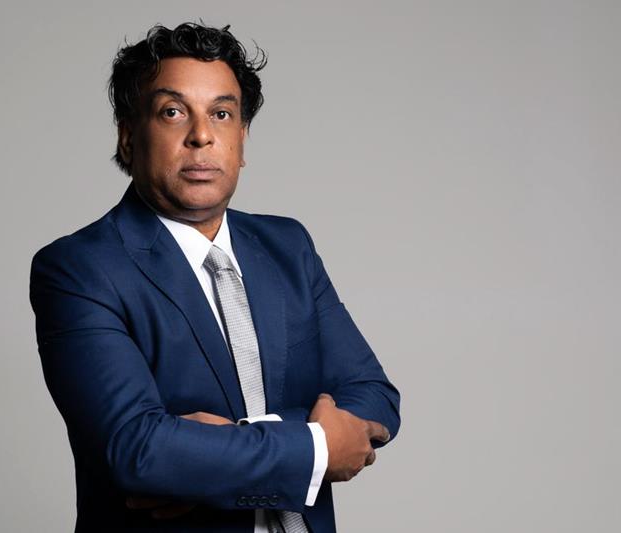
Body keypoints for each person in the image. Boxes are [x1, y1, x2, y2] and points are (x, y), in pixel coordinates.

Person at [29, 22, 400, 533]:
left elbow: (373, 395)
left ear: (241, 139)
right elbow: (139, 450)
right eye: (173, 112)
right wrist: (317, 445)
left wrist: (210, 461)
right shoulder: (79, 269)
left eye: (221, 114)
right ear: (128, 136)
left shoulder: (287, 246)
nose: (201, 135)